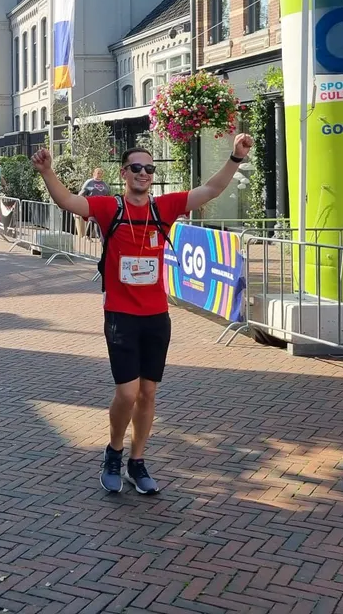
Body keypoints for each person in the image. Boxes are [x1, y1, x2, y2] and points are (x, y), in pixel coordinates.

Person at [31, 134, 252, 496]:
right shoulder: (109, 208)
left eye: (149, 168)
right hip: (120, 314)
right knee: (127, 392)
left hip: (156, 316)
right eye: (137, 168)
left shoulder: (163, 208)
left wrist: (235, 157)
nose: (144, 173)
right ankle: (113, 452)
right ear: (124, 173)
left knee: (148, 393)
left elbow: (211, 190)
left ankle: (137, 461)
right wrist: (47, 173)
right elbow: (69, 201)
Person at [77, 168, 111, 240]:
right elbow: (82, 192)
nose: (99, 175)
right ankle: (87, 235)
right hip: (92, 204)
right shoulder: (89, 182)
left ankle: (100, 236)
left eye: (101, 173)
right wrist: (79, 201)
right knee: (92, 218)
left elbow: (108, 194)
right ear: (94, 173)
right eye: (98, 173)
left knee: (101, 220)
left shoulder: (104, 184)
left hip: (102, 205)